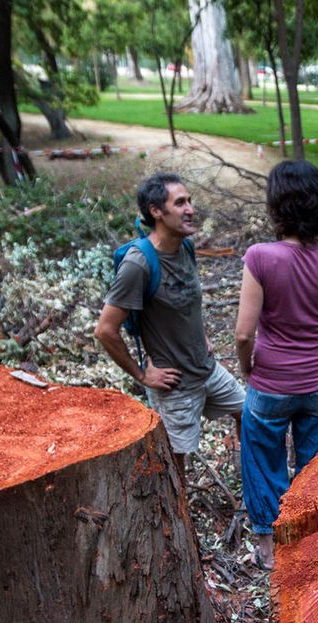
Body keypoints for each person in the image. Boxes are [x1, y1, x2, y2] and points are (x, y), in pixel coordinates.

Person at [235, 160, 318, 569]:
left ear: (276, 205)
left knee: (263, 460)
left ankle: (270, 549)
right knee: (316, 464)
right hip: (317, 385)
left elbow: (242, 333)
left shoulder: (260, 257)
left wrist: (247, 369)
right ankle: (309, 540)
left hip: (270, 383)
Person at [95, 171, 243, 480]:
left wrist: (201, 334)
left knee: (250, 414)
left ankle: (252, 482)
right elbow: (105, 330)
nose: (190, 209)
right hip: (175, 387)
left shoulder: (185, 247)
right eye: (180, 203)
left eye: (190, 201)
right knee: (175, 473)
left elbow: (188, 297)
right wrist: (141, 374)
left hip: (207, 369)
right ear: (156, 211)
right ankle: (178, 524)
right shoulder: (139, 264)